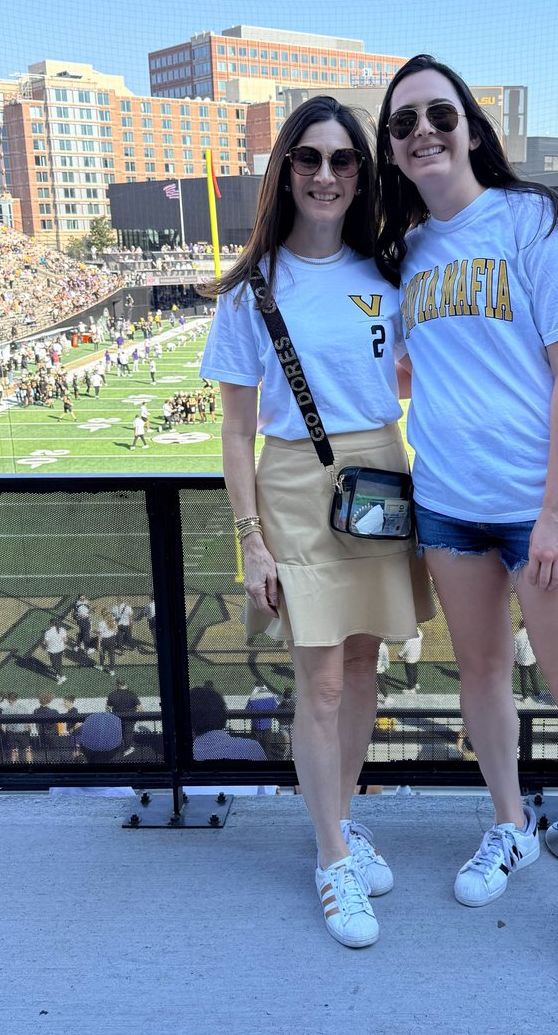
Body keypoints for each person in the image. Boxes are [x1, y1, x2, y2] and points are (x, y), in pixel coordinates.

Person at [375, 54, 558, 1007]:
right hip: (449, 500)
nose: (422, 132)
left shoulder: (534, 224)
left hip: (545, 508)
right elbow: (411, 368)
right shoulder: (405, 250)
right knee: (480, 676)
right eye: (403, 125)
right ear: (392, 150)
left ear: (472, 126)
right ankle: (511, 822)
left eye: (438, 114)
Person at [198, 96, 432, 951]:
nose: (326, 175)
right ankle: (332, 852)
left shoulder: (388, 274)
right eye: (309, 158)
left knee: (367, 662)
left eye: (342, 160)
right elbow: (233, 431)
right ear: (285, 170)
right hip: (295, 484)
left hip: (381, 479)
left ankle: (339, 814)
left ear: (361, 174)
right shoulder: (251, 289)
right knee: (322, 681)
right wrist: (250, 537)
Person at [514, 625, 542, 701]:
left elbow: (515, 651)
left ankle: (524, 696)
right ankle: (536, 693)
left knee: (523, 679)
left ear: (520, 626)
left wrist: (515, 660)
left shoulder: (517, 635)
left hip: (522, 660)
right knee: (534, 677)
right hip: (532, 659)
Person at [398, 628, 423, 694]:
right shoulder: (419, 633)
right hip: (416, 654)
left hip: (410, 656)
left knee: (409, 672)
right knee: (414, 669)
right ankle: (415, 684)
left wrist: (400, 654)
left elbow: (406, 646)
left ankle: (411, 688)